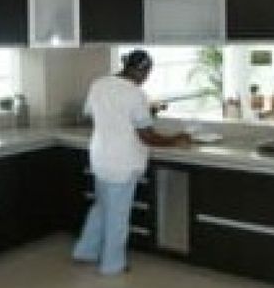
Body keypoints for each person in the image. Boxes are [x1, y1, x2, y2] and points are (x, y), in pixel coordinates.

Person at [72, 49, 191, 275]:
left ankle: (85, 251)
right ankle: (112, 264)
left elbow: (94, 115)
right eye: (147, 73)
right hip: (122, 164)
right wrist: (175, 140)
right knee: (117, 216)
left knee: (101, 208)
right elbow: (147, 136)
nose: (146, 78)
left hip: (100, 157)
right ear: (141, 70)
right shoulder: (135, 94)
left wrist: (132, 115)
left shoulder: (99, 84)